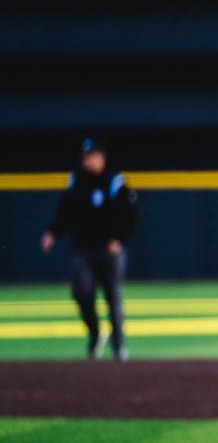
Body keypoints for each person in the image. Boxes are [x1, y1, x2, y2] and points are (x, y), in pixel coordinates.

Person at [40, 139, 140, 361]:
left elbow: (131, 215)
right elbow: (64, 211)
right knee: (81, 292)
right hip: (83, 248)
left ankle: (119, 346)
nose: (87, 160)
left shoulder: (114, 180)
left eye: (91, 156)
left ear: (101, 157)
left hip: (109, 249)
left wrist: (119, 239)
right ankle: (96, 336)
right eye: (85, 156)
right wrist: (52, 232)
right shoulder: (76, 180)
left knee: (112, 296)